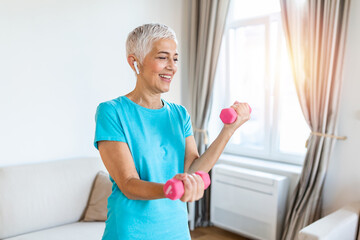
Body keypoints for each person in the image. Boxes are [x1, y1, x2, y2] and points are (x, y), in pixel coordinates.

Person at [94, 23, 250, 240]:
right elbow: (129, 184)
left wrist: (228, 130)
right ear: (134, 62)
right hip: (130, 231)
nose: (172, 66)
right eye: (162, 57)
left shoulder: (179, 114)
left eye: (175, 58)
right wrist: (173, 189)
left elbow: (194, 169)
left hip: (176, 230)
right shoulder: (111, 112)